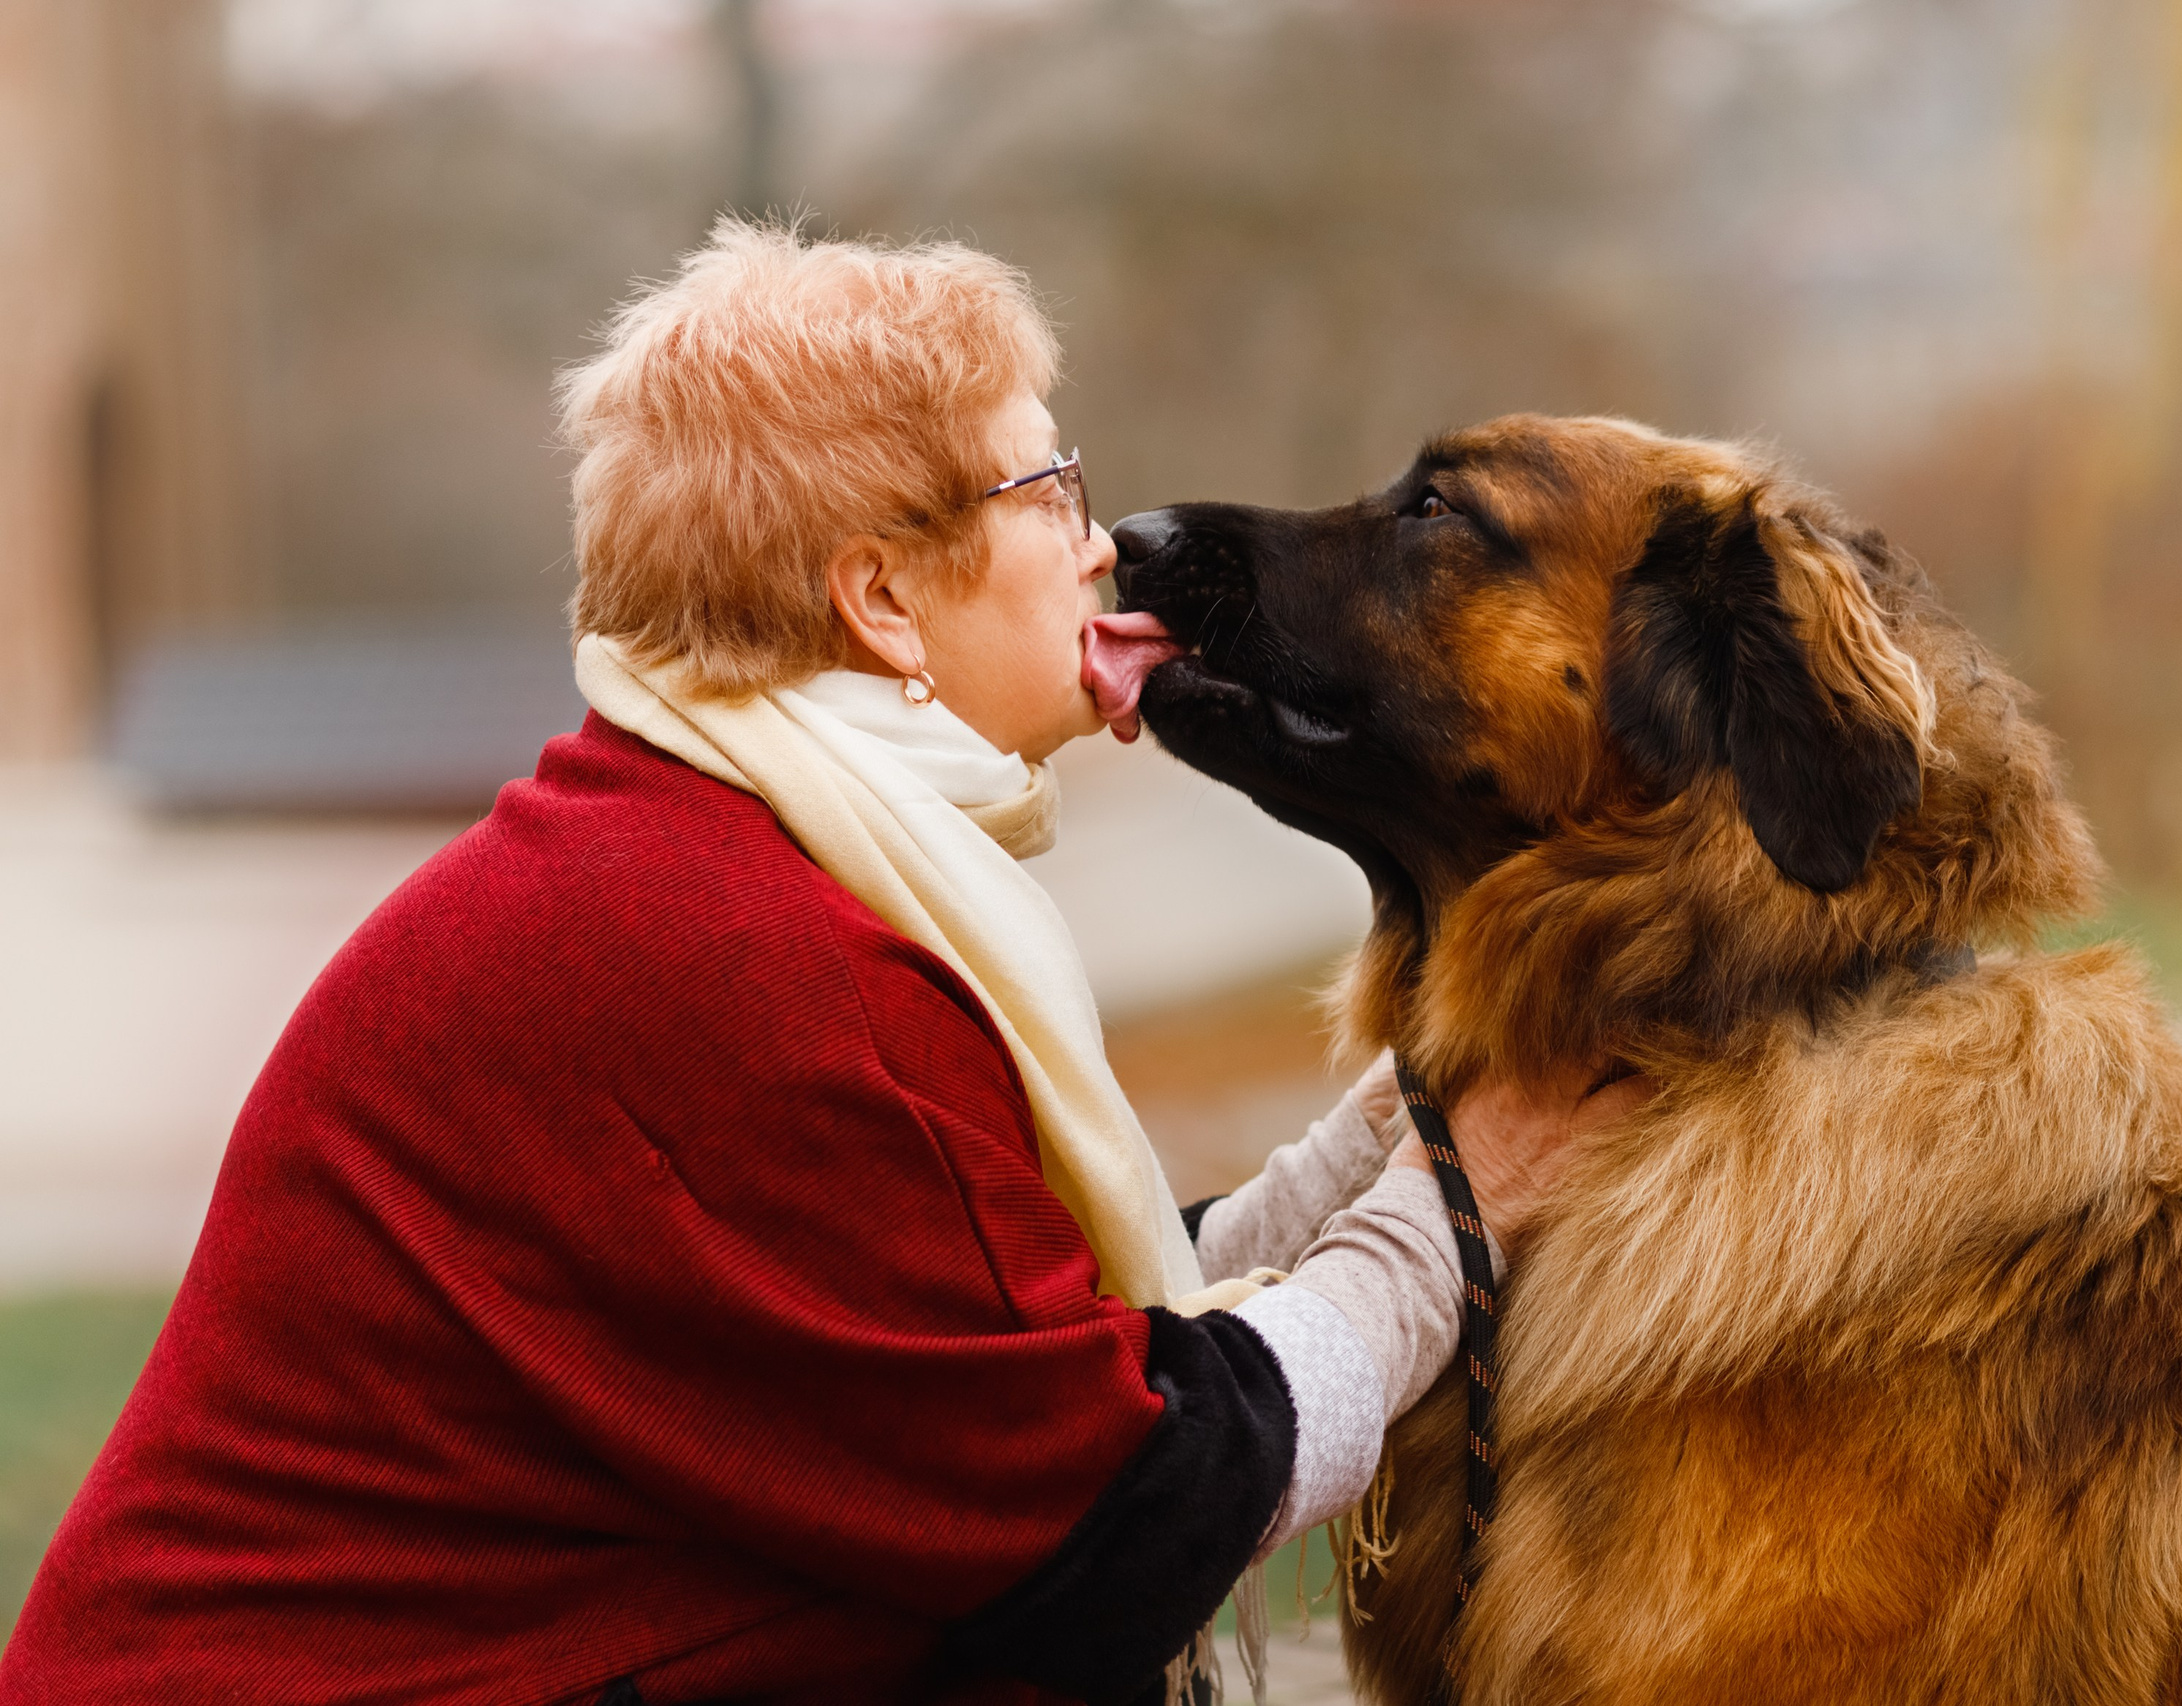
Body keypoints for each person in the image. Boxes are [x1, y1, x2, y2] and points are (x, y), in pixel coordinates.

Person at [0, 222, 1637, 1706]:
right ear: (881, 601)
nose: (1103, 542)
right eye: (1044, 489)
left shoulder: (693, 854)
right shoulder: (745, 957)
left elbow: (1006, 1349)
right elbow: (1116, 1508)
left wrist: (1394, 1125)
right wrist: (1461, 1196)